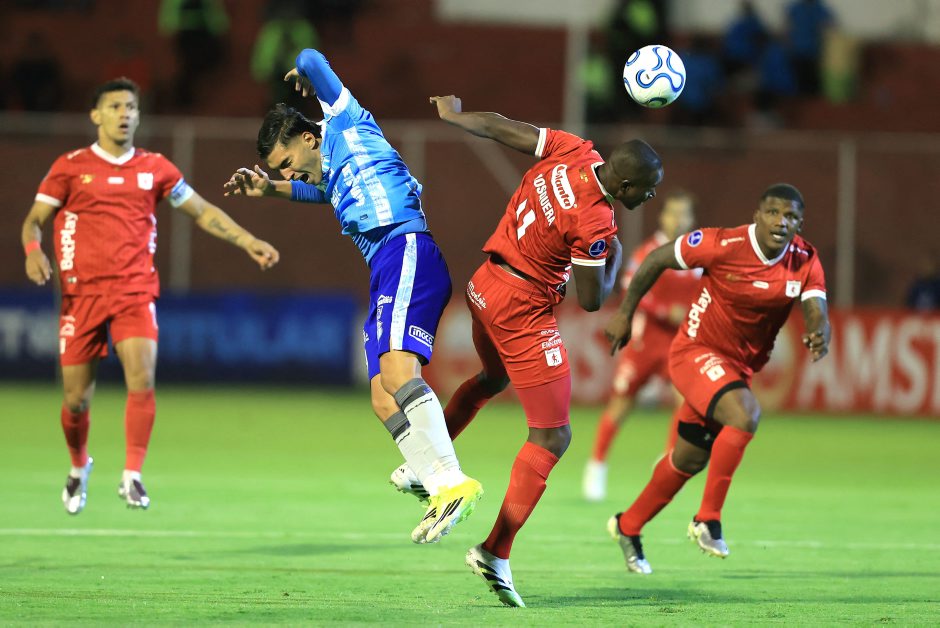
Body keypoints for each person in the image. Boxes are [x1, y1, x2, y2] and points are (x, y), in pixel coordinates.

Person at [222, 49, 483, 546]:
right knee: (383, 397)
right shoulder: (337, 173)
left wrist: (305, 70)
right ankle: (435, 484)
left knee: (399, 373)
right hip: (385, 267)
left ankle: (451, 482)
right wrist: (270, 189)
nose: (289, 173)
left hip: (406, 249)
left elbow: (311, 56)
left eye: (287, 163)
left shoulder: (347, 124)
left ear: (308, 137)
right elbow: (321, 192)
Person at [421, 94, 662, 607]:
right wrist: (614, 259)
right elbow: (591, 300)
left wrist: (454, 116)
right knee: (553, 435)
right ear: (624, 187)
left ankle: (425, 461)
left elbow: (501, 125)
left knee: (492, 379)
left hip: (485, 283)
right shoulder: (596, 222)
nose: (650, 196)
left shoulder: (575, 149)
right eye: (647, 189)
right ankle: (494, 551)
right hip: (521, 307)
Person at [21, 77, 280, 515]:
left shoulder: (156, 168)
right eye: (115, 106)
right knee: (76, 400)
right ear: (96, 115)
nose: (124, 114)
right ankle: (79, 465)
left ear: (138, 116)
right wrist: (32, 250)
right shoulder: (70, 167)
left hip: (134, 291)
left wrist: (247, 240)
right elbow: (34, 220)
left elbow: (202, 211)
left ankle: (132, 475)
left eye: (131, 107)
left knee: (141, 378)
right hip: (81, 296)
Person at [604, 183, 830, 574]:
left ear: (800, 223)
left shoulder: (805, 259)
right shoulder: (722, 244)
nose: (781, 222)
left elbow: (816, 308)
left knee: (688, 459)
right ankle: (707, 519)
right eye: (773, 212)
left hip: (738, 367)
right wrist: (626, 313)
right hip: (695, 351)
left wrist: (818, 330)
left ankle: (628, 525)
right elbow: (657, 258)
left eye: (791, 216)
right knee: (745, 414)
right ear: (757, 216)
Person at [583, 191, 700, 502]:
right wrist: (665, 311)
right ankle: (597, 465)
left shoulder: (697, 255)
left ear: (691, 218)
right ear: (663, 217)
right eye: (673, 213)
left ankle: (668, 464)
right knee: (621, 404)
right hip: (646, 341)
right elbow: (630, 288)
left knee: (687, 403)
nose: (679, 220)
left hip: (680, 344)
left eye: (684, 214)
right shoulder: (648, 251)